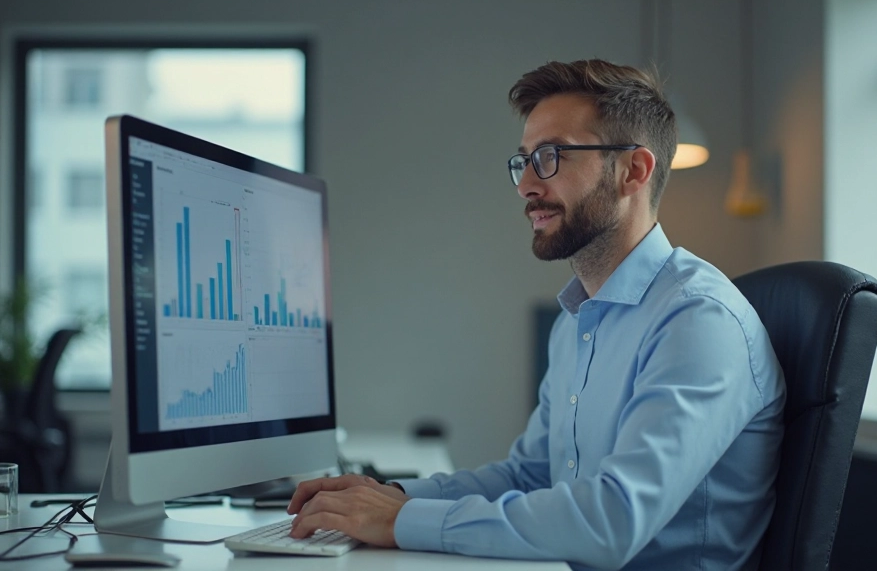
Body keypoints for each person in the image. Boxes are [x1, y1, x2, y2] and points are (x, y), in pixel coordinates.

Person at [286, 59, 786, 571]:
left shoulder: (697, 320)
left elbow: (611, 522)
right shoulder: (576, 320)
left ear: (633, 171)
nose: (525, 185)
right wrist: (388, 496)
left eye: (550, 157)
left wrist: (400, 520)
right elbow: (530, 476)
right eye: (523, 161)